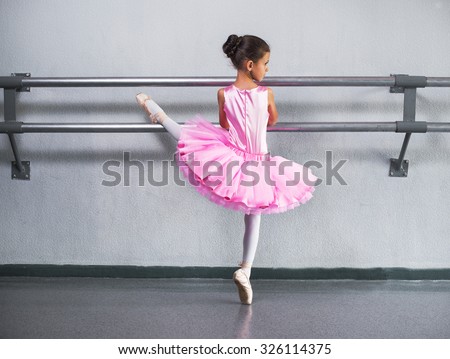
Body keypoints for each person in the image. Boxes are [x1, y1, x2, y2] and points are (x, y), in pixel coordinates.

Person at [136, 34, 317, 305]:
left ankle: (156, 111)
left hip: (232, 156)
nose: (267, 69)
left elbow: (224, 124)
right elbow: (273, 119)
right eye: (265, 63)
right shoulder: (266, 94)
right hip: (259, 160)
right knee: (253, 215)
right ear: (250, 65)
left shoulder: (223, 94)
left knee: (187, 135)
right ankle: (245, 270)